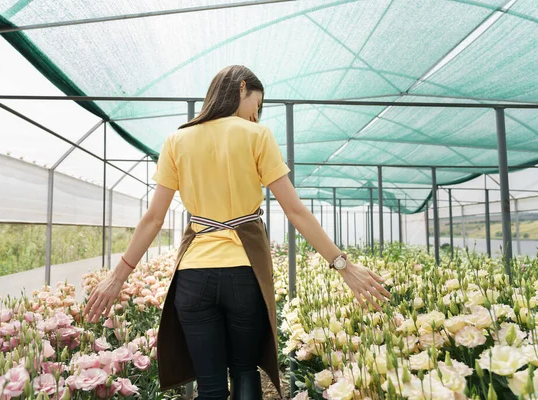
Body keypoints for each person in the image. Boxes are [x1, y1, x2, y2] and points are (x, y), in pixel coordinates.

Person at [83, 65, 391, 400]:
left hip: (194, 276)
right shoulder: (258, 137)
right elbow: (296, 211)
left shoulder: (177, 140)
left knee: (211, 386)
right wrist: (343, 266)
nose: (255, 117)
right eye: (255, 107)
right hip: (245, 276)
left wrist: (118, 277)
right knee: (245, 371)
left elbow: (153, 219)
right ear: (241, 88)